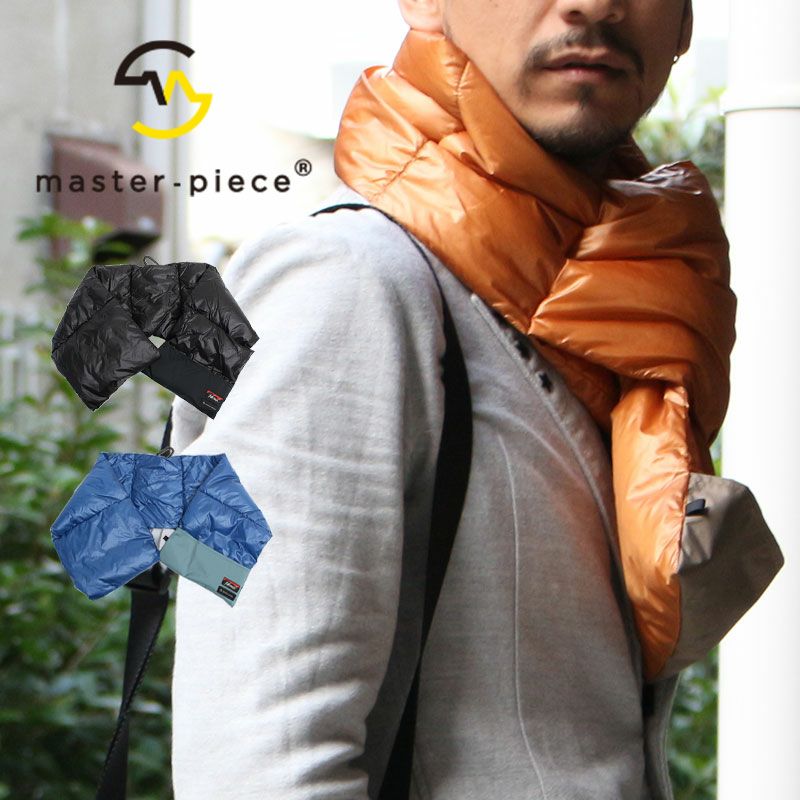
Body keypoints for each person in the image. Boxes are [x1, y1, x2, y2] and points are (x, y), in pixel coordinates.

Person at [169, 1, 739, 798]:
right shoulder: (347, 284)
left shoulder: (625, 307)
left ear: (683, 23)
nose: (595, 4)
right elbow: (256, 761)